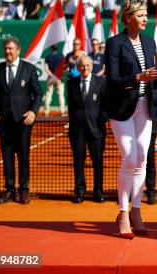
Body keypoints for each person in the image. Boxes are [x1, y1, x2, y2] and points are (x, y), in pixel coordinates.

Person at [104, 0, 157, 239]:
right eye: (140, 15)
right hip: (122, 108)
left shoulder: (149, 42)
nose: (145, 18)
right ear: (128, 17)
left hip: (145, 107)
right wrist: (137, 78)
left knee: (142, 160)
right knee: (129, 157)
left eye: (146, 14)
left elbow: (152, 78)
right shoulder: (115, 43)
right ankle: (123, 212)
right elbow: (113, 81)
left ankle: (136, 211)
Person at [0, 37, 42, 204]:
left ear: (18, 50)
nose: (7, 52)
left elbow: (38, 93)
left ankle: (24, 191)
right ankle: (9, 190)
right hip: (3, 123)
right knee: (7, 157)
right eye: (6, 49)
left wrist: (33, 111)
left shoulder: (29, 69)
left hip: (23, 122)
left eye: (10, 49)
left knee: (23, 157)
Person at [66, 55, 107, 203]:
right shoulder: (71, 83)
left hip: (96, 130)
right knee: (78, 162)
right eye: (82, 66)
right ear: (78, 67)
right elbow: (71, 106)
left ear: (92, 66)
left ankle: (98, 192)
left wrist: (100, 122)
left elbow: (105, 106)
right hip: (77, 131)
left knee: (97, 163)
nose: (85, 68)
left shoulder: (101, 82)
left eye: (88, 65)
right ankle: (80, 191)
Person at [43, 45, 66, 116]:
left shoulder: (48, 56)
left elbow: (46, 68)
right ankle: (62, 111)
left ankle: (46, 112)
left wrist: (51, 75)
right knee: (60, 94)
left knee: (48, 94)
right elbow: (64, 66)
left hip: (51, 78)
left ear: (51, 48)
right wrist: (58, 75)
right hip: (59, 78)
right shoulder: (61, 55)